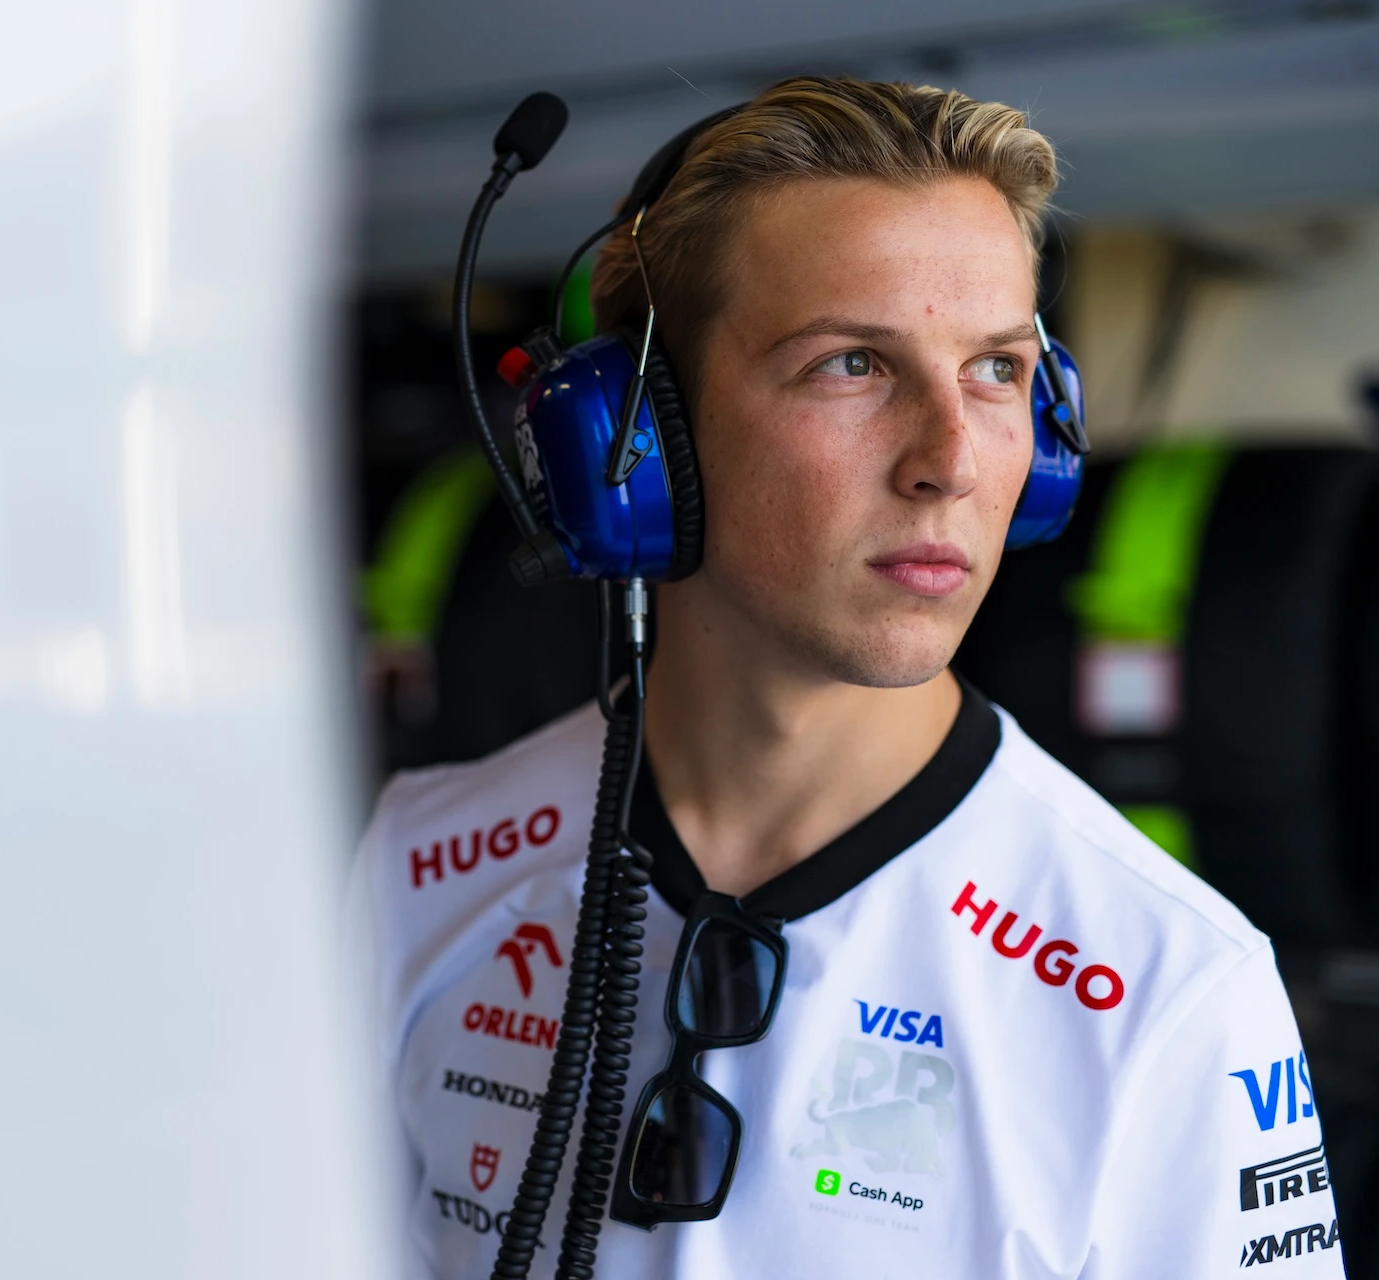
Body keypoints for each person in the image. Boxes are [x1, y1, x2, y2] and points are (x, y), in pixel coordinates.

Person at [351, 77, 1342, 1278]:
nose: (951, 460)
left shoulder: (1168, 983)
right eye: (854, 363)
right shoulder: (414, 866)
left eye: (996, 369)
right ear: (638, 435)